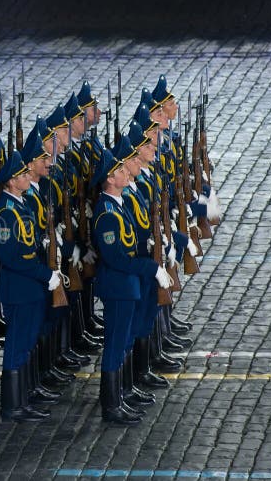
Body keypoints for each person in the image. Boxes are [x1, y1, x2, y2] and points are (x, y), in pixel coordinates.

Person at [90, 148, 172, 425]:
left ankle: (122, 393)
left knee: (124, 341)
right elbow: (116, 260)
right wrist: (151, 267)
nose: (127, 173)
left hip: (127, 286)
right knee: (115, 344)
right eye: (121, 171)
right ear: (110, 179)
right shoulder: (107, 213)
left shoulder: (118, 205)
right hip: (118, 287)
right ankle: (111, 405)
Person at [0, 150, 59, 422]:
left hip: (29, 288)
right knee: (17, 345)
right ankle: (12, 405)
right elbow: (11, 258)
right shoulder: (7, 212)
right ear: (10, 182)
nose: (26, 178)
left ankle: (23, 397)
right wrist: (44, 274)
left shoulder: (21, 204)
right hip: (19, 288)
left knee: (27, 342)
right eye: (20, 175)